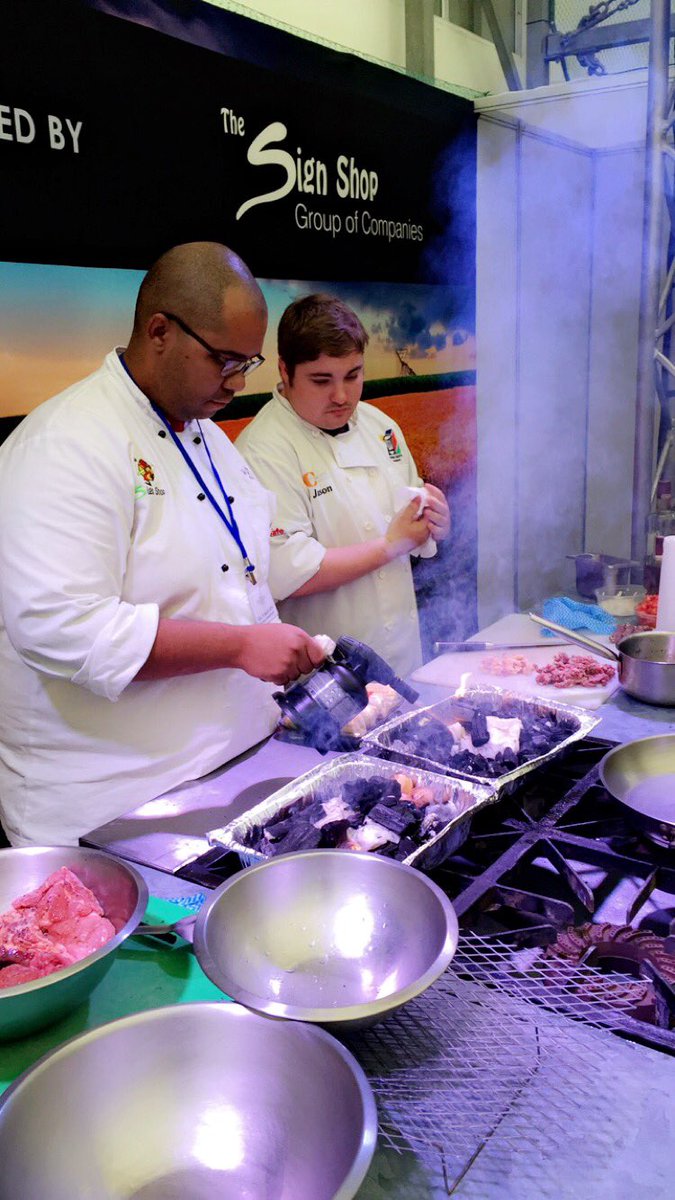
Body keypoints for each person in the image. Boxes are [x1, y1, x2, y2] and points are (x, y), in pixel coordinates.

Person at [0, 242, 324, 847]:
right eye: (224, 360)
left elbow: (245, 573)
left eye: (248, 363)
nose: (236, 383)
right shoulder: (65, 445)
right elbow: (65, 628)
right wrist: (240, 647)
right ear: (158, 332)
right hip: (114, 812)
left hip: (231, 776)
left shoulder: (207, 438)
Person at [237, 294, 450, 678]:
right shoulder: (263, 449)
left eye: (353, 375)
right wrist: (389, 546)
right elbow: (288, 572)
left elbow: (412, 516)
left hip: (402, 652)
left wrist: (433, 519)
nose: (342, 396)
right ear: (285, 372)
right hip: (326, 671)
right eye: (322, 381)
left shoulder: (380, 426)